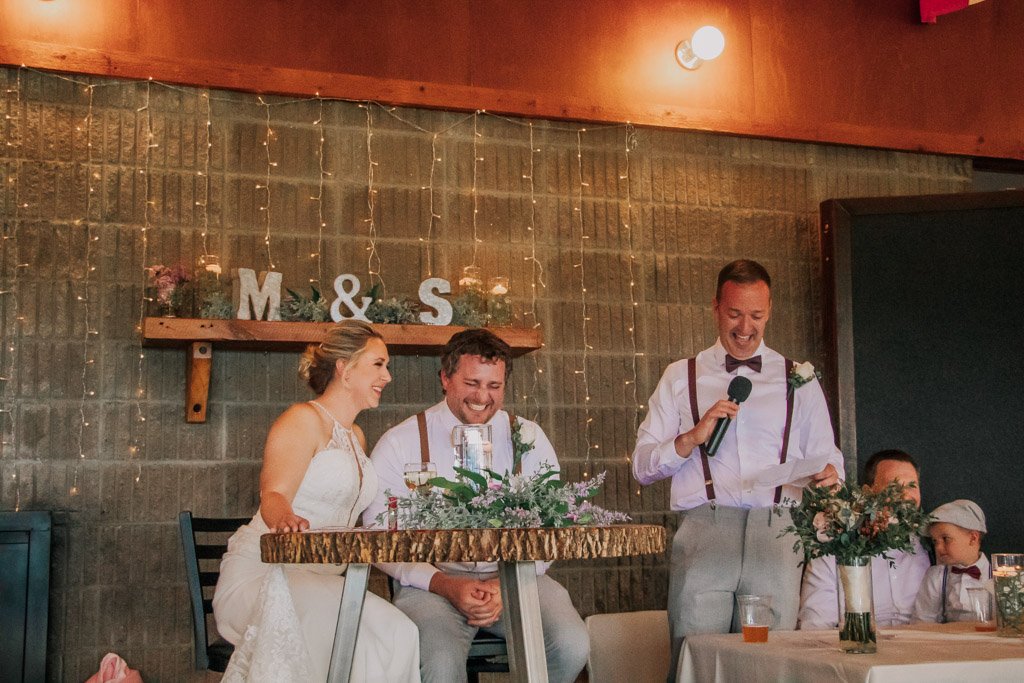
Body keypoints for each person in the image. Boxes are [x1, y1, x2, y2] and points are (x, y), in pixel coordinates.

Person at [632, 259, 843, 679]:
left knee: (768, 663)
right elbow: (642, 465)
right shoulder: (681, 375)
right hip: (705, 528)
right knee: (695, 656)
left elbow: (828, 456)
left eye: (756, 315)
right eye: (734, 314)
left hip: (777, 532)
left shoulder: (798, 378)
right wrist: (691, 438)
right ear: (715, 307)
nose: (745, 327)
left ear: (770, 311)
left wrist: (829, 476)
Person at [366, 328, 589, 683]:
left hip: (517, 575)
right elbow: (378, 533)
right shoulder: (401, 442)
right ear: (445, 378)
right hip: (432, 582)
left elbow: (551, 526)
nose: (482, 397)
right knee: (438, 664)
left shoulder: (528, 437)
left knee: (571, 644)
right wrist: (443, 583)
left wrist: (505, 584)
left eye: (494, 386)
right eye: (472, 383)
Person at [212, 321, 420, 683]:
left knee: (400, 632)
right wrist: (285, 522)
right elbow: (273, 495)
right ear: (344, 368)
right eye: (378, 364)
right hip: (268, 576)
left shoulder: (356, 436)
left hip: (324, 583)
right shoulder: (301, 419)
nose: (387, 376)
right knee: (353, 643)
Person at [797, 449, 930, 629]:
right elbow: (815, 626)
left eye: (912, 486)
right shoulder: (836, 548)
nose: (905, 495)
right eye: (894, 486)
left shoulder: (934, 543)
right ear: (868, 492)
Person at [913, 499, 991, 623]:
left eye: (946, 539)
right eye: (935, 541)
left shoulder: (999, 577)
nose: (938, 547)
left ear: (973, 538)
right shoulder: (936, 576)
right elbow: (922, 622)